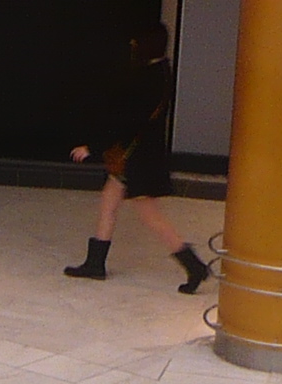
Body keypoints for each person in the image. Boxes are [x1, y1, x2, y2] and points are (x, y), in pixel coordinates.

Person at [65, 20, 210, 294]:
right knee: (109, 202)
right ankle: (95, 263)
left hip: (137, 159)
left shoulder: (146, 77)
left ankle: (194, 265)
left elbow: (127, 122)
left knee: (150, 215)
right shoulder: (161, 72)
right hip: (140, 155)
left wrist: (94, 147)